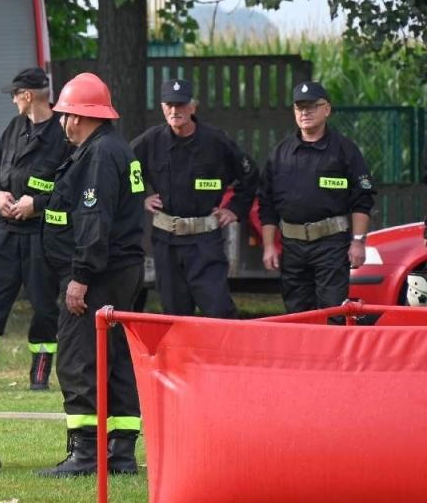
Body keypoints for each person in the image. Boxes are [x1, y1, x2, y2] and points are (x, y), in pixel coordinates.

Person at [37, 73, 147, 478]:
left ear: (79, 117)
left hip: (97, 275)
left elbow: (93, 221)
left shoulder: (99, 155)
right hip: (121, 271)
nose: (63, 122)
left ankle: (85, 453)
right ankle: (120, 453)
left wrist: (79, 276)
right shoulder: (114, 150)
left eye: (66, 115)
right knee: (115, 359)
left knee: (78, 358)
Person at [0, 67, 67, 389]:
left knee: (43, 307)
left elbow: (69, 187)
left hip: (41, 235)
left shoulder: (62, 136)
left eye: (15, 94)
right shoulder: (14, 129)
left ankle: (40, 375)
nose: (12, 100)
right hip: (6, 232)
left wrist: (35, 204)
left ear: (27, 95)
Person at [130, 77, 258, 318]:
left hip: (205, 242)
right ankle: (183, 358)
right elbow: (123, 169)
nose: (175, 110)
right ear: (162, 107)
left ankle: (223, 357)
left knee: (219, 311)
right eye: (170, 105)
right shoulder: (151, 141)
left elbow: (250, 174)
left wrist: (234, 209)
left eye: (181, 105)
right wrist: (141, 198)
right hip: (166, 242)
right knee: (175, 313)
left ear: (193, 107)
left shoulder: (215, 141)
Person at [258, 80, 374, 313]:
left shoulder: (344, 150)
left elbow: (362, 197)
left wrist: (358, 242)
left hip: (331, 246)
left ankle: (333, 351)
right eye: (300, 108)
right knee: (297, 313)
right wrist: (269, 246)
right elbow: (266, 203)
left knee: (333, 311)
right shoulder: (280, 153)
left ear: (327, 109)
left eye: (311, 107)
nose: (305, 113)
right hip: (292, 246)